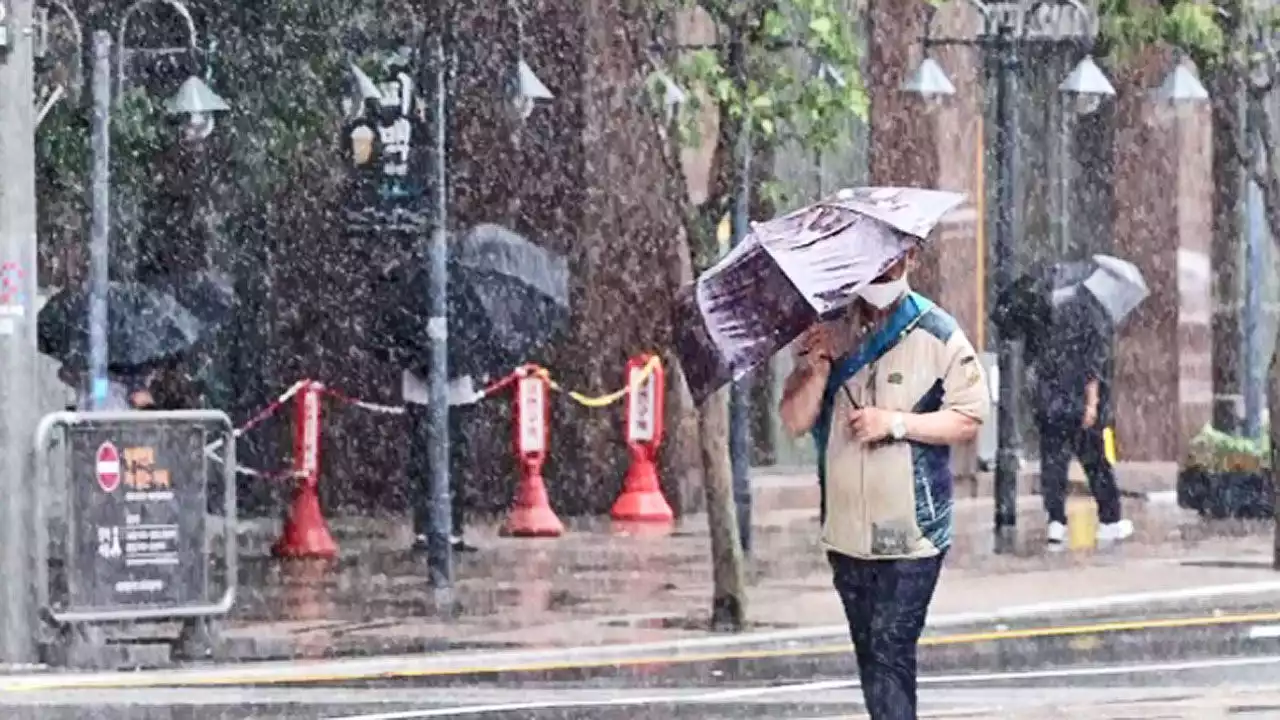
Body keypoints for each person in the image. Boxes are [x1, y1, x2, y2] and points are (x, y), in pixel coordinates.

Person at [779, 247, 989, 720]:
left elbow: (970, 417)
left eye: (891, 262)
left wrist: (895, 424)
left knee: (890, 649)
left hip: (913, 535)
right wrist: (817, 366)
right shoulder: (830, 330)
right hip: (846, 535)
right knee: (871, 656)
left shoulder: (936, 332)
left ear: (910, 258)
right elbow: (794, 421)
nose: (881, 273)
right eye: (871, 263)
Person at [1032, 287, 1133, 550]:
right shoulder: (1092, 319)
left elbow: (1038, 365)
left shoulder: (1046, 320)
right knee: (1096, 463)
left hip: (1051, 406)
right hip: (1077, 407)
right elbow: (1092, 370)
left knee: (1053, 466)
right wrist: (1092, 404)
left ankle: (1056, 521)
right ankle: (1110, 520)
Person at [403, 367, 482, 554]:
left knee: (446, 465)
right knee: (433, 464)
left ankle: (448, 530)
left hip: (446, 395)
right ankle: (432, 531)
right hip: (426, 395)